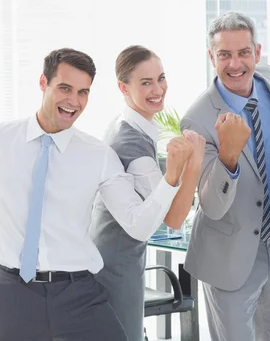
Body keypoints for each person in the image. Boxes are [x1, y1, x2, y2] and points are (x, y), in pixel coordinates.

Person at [0, 48, 193, 341]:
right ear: (42, 83)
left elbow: (138, 224)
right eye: (65, 88)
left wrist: (172, 177)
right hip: (12, 292)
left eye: (83, 92)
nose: (74, 101)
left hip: (78, 295)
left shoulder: (98, 155)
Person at [180, 11, 270, 341]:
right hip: (228, 252)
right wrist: (228, 156)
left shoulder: (268, 80)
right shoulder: (198, 120)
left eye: (243, 53)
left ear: (257, 53)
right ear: (211, 57)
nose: (236, 64)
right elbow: (211, 205)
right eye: (224, 55)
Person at [89, 45, 205, 341]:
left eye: (161, 78)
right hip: (117, 265)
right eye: (145, 82)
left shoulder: (126, 125)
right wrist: (194, 164)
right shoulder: (132, 144)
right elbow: (174, 219)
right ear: (123, 88)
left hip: (112, 258)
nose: (158, 89)